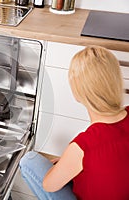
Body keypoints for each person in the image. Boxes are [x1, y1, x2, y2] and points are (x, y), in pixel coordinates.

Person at [19, 46, 129, 199]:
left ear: (78, 92)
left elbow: (49, 185)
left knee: (28, 161)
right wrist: (71, 162)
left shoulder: (83, 146)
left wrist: (69, 159)